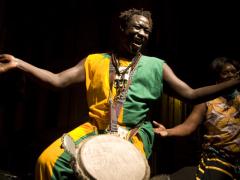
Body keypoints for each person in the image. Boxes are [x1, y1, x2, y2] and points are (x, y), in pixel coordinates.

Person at [0, 8, 239, 180]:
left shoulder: (157, 65)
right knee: (47, 162)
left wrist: (236, 82)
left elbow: (192, 94)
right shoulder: (94, 61)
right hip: (94, 127)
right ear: (123, 28)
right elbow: (57, 81)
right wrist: (19, 63)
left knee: (119, 173)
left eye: (146, 30)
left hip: (133, 131)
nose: (142, 33)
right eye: (137, 27)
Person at [153, 57, 240, 180]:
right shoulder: (207, 100)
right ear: (217, 77)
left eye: (233, 71)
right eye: (225, 72)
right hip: (216, 159)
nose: (231, 75)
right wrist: (167, 131)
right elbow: (188, 126)